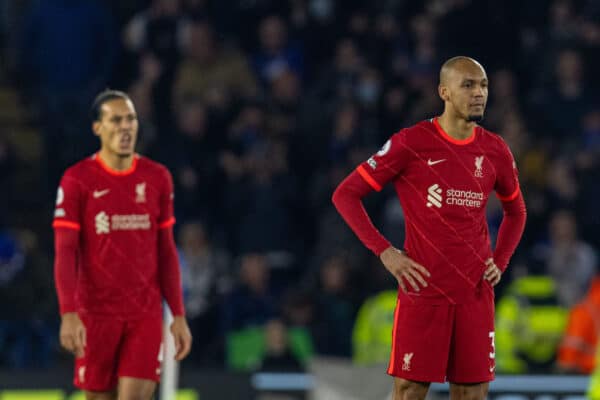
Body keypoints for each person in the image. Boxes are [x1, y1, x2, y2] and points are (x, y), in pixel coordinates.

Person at [332, 56, 527, 400]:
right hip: (424, 289)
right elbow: (346, 194)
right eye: (468, 85)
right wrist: (386, 252)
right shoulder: (412, 142)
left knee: (472, 394)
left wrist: (502, 258)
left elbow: (516, 211)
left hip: (474, 293)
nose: (479, 93)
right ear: (444, 92)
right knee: (409, 391)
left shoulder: (495, 149)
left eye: (483, 85)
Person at [52, 90, 192, 399]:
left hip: (144, 313)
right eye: (115, 119)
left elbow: (166, 252)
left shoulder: (157, 178)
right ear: (97, 128)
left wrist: (178, 314)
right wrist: (68, 313)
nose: (125, 126)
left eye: (130, 119)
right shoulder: (77, 180)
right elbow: (65, 252)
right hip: (96, 314)